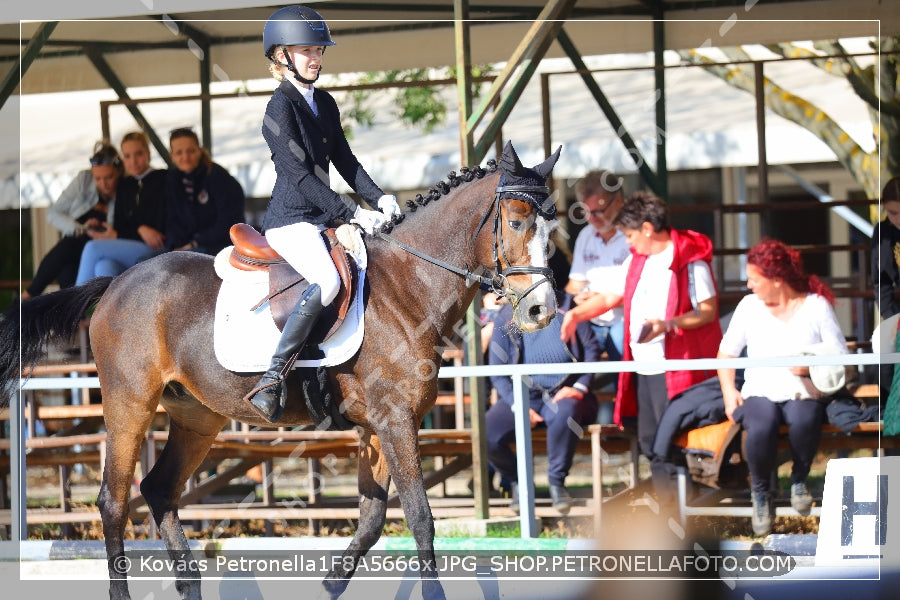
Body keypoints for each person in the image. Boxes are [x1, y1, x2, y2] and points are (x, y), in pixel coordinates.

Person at [244, 5, 399, 423]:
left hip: (323, 218)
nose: (315, 57)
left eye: (318, 49)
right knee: (328, 280)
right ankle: (273, 377)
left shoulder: (324, 103)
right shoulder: (278, 111)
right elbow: (299, 177)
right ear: (281, 56)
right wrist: (349, 212)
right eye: (306, 50)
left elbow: (345, 162)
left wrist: (379, 199)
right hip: (290, 221)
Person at [560, 190, 722, 468]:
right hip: (643, 363)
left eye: (631, 235)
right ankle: (667, 505)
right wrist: (575, 314)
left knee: (672, 439)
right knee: (649, 438)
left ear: (647, 229)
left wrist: (669, 324)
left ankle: (681, 504)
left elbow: (707, 312)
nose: (629, 241)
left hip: (674, 365)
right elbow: (611, 297)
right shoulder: (636, 260)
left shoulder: (688, 260)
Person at [717, 238, 848, 536]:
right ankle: (761, 493)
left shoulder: (815, 306)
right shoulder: (749, 307)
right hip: (760, 390)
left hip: (804, 389)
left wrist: (810, 368)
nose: (750, 285)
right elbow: (726, 353)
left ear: (776, 280)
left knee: (805, 418)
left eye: (754, 279)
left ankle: (799, 479)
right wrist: (728, 390)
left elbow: (839, 354)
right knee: (760, 425)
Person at [486, 300, 601, 515]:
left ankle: (556, 483)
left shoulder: (569, 305)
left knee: (566, 414)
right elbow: (496, 370)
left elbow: (592, 349)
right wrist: (517, 404)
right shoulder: (505, 316)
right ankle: (519, 482)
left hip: (563, 392)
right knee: (487, 432)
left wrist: (579, 386)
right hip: (523, 394)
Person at [21, 141, 123, 300]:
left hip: (104, 245)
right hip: (78, 240)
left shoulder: (126, 187)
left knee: (67, 249)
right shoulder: (84, 180)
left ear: (118, 171)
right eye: (98, 178)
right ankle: (75, 320)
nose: (103, 184)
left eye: (109, 177)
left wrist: (100, 228)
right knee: (66, 266)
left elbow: (123, 228)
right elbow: (53, 213)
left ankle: (28, 296)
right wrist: (80, 226)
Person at [74, 131, 167, 284]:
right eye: (127, 156)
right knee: (103, 267)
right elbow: (119, 226)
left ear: (148, 154)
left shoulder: (163, 178)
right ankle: (106, 308)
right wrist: (139, 228)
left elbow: (160, 224)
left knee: (92, 248)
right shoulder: (125, 185)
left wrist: (137, 229)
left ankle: (74, 306)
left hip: (155, 249)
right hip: (129, 246)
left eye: (138, 154)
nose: (133, 161)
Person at [564, 170, 629, 364]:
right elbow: (574, 284)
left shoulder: (633, 234)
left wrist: (598, 298)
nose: (592, 218)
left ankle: (623, 393)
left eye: (598, 211)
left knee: (620, 341)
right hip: (590, 319)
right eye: (586, 211)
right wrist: (575, 297)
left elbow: (644, 292)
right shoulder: (586, 235)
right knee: (564, 345)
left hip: (625, 319)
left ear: (618, 201)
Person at [162, 127, 245, 256]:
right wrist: (175, 245)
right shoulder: (172, 180)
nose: (185, 157)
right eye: (179, 152)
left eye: (191, 151)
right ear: (171, 155)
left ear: (200, 150)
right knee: (145, 261)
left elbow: (228, 222)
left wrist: (194, 243)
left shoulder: (217, 176)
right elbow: (171, 220)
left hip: (218, 247)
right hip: (184, 247)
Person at [871, 176, 900, 402]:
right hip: (897, 311)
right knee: (882, 339)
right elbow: (881, 282)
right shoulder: (883, 233)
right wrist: (892, 317)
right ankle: (890, 407)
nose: (897, 219)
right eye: (891, 213)